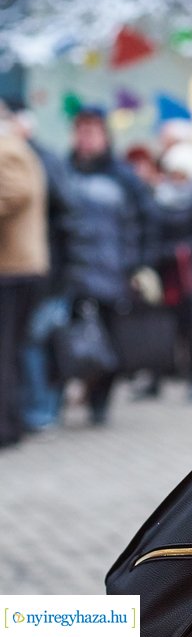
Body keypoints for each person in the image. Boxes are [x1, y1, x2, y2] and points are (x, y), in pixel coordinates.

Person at [62, 105, 158, 425]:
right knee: (70, 340)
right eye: (81, 130)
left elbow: (148, 223)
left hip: (113, 276)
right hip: (71, 275)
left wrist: (140, 267)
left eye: (92, 131)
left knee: (110, 344)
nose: (86, 137)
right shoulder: (65, 171)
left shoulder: (124, 178)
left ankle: (99, 401)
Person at [138, 142, 192, 401]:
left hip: (188, 275)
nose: (177, 179)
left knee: (190, 329)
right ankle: (155, 379)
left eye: (182, 174)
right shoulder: (158, 199)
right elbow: (150, 233)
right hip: (162, 273)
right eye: (174, 174)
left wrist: (178, 251)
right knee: (159, 328)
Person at [0, 102, 48, 448]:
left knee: (6, 352)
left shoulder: (6, 148)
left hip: (13, 268)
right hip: (18, 267)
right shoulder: (14, 146)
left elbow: (16, 193)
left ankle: (7, 426)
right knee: (12, 351)